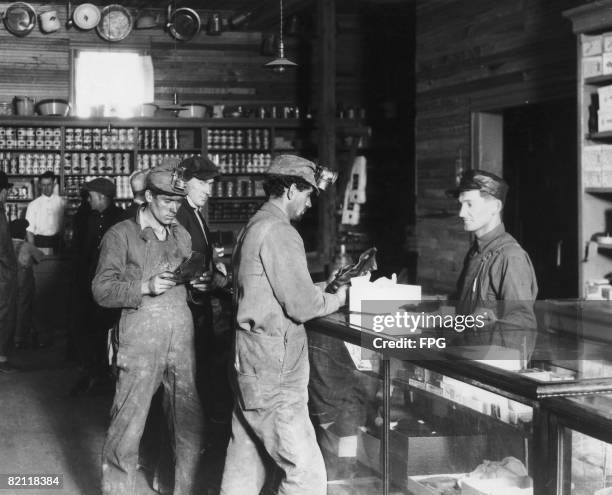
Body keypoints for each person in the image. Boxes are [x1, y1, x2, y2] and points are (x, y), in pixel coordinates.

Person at [220, 155, 348, 495]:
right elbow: (302, 306)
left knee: (244, 468)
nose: (308, 204)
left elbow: (271, 290)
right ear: (292, 189)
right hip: (275, 370)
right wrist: (338, 298)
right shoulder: (281, 232)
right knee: (306, 476)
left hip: (249, 361)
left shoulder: (255, 225)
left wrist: (325, 286)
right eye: (307, 195)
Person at [92, 165, 205, 495]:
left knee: (187, 420)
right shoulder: (120, 234)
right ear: (149, 197)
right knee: (128, 425)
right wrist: (144, 286)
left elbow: (188, 278)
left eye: (178, 202)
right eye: (167, 202)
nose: (174, 209)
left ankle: (180, 488)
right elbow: (101, 290)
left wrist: (202, 281)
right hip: (140, 340)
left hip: (180, 340)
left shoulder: (181, 234)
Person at [446, 170, 538, 351]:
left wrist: (492, 322)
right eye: (461, 205)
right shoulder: (475, 252)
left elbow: (523, 325)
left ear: (495, 207)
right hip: (465, 358)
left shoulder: (510, 257)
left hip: (488, 367)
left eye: (469, 204)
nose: (461, 213)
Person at [175, 156, 230, 421]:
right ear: (183, 182)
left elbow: (203, 255)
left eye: (210, 184)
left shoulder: (194, 212)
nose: (209, 190)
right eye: (202, 183)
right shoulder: (179, 214)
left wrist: (216, 265)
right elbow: (179, 265)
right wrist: (208, 276)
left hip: (199, 307)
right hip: (188, 309)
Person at [71, 178, 124, 394]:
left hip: (112, 285)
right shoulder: (88, 217)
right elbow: (82, 250)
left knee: (109, 329)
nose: (88, 200)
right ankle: (94, 372)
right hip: (88, 283)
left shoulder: (121, 219)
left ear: (102, 197)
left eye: (91, 196)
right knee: (89, 328)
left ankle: (108, 373)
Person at [10, 219, 44, 350]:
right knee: (23, 308)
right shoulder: (27, 246)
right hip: (24, 282)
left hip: (9, 281)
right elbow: (41, 257)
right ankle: (19, 338)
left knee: (9, 308)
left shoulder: (6, 245)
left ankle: (9, 337)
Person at [0, 171, 18, 373]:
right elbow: (3, 247)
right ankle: (1, 359)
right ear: (3, 191)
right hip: (2, 274)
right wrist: (11, 269)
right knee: (4, 314)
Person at [25, 171, 65, 253]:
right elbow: (29, 232)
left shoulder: (62, 203)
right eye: (43, 185)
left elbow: (65, 227)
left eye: (49, 184)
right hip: (40, 245)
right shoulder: (33, 205)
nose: (46, 188)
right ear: (39, 185)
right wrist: (34, 252)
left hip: (58, 244)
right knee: (43, 265)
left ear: (54, 184)